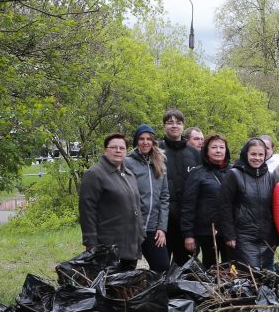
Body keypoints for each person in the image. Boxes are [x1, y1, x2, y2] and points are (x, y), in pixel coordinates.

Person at [78, 133, 143, 269]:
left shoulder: (129, 174)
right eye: (114, 147)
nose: (118, 151)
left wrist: (140, 234)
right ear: (105, 150)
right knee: (110, 282)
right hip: (108, 246)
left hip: (130, 245)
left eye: (122, 148)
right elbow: (87, 211)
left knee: (127, 281)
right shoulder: (94, 174)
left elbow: (135, 206)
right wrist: (90, 242)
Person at [219, 137, 277, 270]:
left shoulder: (270, 177)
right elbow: (224, 206)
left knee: (266, 277)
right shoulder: (234, 174)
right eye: (253, 154)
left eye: (261, 154)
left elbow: (274, 208)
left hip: (266, 238)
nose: (257, 158)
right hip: (242, 237)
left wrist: (274, 237)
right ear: (246, 154)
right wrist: (229, 235)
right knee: (249, 275)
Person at [181, 133, 232, 268]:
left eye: (221, 147)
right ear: (207, 150)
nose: (218, 150)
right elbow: (188, 204)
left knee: (231, 268)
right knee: (210, 267)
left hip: (229, 230)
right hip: (206, 230)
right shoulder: (197, 173)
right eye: (214, 147)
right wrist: (188, 234)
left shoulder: (234, 172)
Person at [124, 124, 170, 273]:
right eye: (141, 139)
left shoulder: (160, 164)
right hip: (132, 228)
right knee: (125, 269)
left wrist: (162, 228)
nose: (145, 142)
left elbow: (164, 197)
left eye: (149, 139)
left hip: (152, 228)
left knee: (162, 267)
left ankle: (151, 288)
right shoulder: (127, 163)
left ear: (153, 142)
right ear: (136, 141)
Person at [159, 108, 201, 265]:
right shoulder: (156, 150)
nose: (174, 126)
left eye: (178, 122)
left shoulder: (194, 153)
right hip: (163, 219)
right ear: (164, 126)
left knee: (185, 267)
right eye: (170, 122)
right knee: (161, 267)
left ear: (183, 126)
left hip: (187, 220)